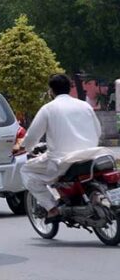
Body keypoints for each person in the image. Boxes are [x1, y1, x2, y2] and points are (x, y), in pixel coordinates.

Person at [14, 74, 102, 220]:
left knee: (26, 170)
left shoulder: (49, 108)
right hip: (92, 155)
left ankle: (52, 208)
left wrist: (26, 147)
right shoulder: (85, 105)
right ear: (70, 88)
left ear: (51, 91)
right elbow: (98, 131)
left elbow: (33, 136)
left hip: (63, 160)